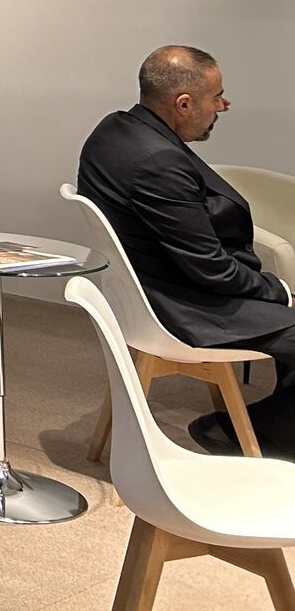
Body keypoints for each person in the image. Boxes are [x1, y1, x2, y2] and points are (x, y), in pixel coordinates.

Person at [77, 46, 295, 458]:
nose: (223, 106)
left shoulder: (113, 130)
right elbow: (212, 270)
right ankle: (245, 434)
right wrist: (280, 290)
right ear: (183, 104)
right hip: (179, 305)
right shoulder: (157, 162)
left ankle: (270, 426)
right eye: (217, 97)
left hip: (147, 288)